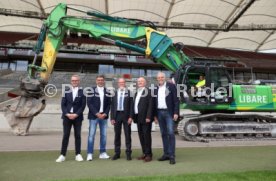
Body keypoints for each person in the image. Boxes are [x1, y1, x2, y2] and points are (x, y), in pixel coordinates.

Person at [56, 75, 86, 163]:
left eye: (76, 80)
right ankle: (62, 155)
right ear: (71, 81)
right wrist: (67, 114)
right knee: (66, 136)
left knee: (77, 136)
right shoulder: (66, 91)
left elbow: (83, 105)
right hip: (67, 117)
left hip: (78, 117)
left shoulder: (82, 92)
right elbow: (63, 105)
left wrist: (76, 114)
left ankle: (78, 154)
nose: (74, 82)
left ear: (79, 81)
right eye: (73, 80)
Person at [154, 72, 179, 165]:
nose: (160, 78)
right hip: (159, 113)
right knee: (163, 134)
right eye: (159, 77)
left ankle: (172, 155)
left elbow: (176, 100)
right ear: (157, 78)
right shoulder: (155, 88)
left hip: (169, 113)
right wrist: (155, 116)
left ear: (164, 78)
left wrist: (176, 112)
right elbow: (154, 103)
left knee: (171, 133)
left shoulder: (171, 86)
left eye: (162, 77)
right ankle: (166, 154)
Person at [87, 75, 111, 161]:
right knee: (91, 135)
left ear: (104, 81)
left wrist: (105, 113)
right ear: (96, 81)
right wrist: (97, 113)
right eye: (98, 80)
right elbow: (89, 103)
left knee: (104, 135)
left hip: (104, 117)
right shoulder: (91, 90)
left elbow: (109, 104)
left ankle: (102, 153)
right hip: (94, 116)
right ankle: (90, 153)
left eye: (102, 80)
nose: (100, 81)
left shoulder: (107, 91)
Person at [110, 78, 133, 161]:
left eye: (123, 82)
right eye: (120, 82)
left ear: (125, 83)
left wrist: (131, 117)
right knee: (117, 135)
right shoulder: (114, 93)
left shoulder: (129, 93)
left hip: (126, 116)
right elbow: (112, 107)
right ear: (118, 84)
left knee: (128, 135)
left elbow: (131, 106)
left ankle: (128, 153)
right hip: (117, 116)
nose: (121, 84)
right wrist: (112, 118)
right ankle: (117, 153)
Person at [132, 77, 154, 162]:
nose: (140, 82)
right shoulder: (137, 92)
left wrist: (149, 116)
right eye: (139, 81)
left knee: (147, 136)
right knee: (141, 136)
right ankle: (144, 153)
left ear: (145, 83)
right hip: (138, 118)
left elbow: (150, 105)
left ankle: (149, 155)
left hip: (146, 118)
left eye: (141, 81)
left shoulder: (149, 92)